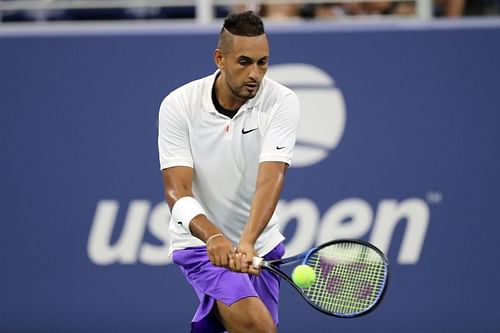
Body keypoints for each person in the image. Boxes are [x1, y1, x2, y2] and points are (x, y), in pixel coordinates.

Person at [157, 11, 300, 333]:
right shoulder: (179, 105)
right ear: (219, 58)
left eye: (263, 63)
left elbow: (272, 176)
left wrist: (247, 242)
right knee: (257, 327)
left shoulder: (282, 101)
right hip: (200, 245)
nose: (255, 74)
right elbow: (176, 191)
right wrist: (215, 237)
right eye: (245, 62)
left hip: (259, 248)